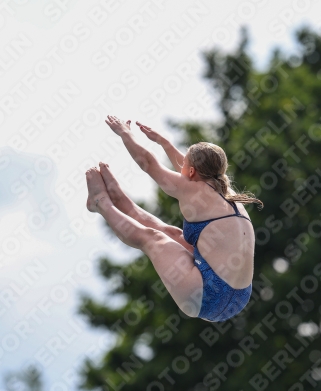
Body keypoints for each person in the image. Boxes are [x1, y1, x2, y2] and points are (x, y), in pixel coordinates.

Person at [85, 116, 263, 322]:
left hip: (208, 296)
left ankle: (100, 204)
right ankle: (119, 199)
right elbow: (187, 169)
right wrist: (164, 143)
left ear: (192, 171)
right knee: (172, 234)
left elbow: (148, 163)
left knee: (152, 239)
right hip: (239, 296)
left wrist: (125, 133)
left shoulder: (192, 189)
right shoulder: (223, 191)